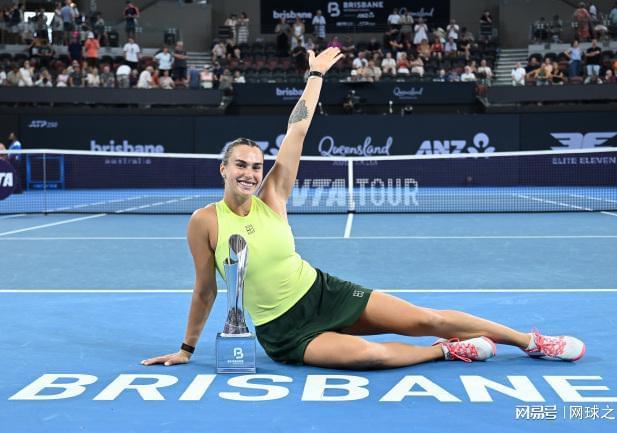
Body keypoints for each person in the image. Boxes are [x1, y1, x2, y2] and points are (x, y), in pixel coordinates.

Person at [140, 48, 587, 370]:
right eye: (241, 165)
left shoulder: (272, 197)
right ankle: (446, 351)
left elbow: (296, 132)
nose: (250, 173)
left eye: (256, 166)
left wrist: (315, 75)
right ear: (223, 168)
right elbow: (205, 290)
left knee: (425, 318)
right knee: (371, 355)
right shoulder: (205, 221)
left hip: (322, 292)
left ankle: (529, 340)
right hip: (283, 331)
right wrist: (187, 349)